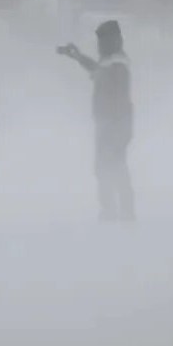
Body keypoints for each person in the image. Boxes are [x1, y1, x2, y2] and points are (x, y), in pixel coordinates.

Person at [58, 20, 135, 222]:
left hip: (114, 125)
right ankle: (117, 213)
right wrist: (77, 56)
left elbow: (114, 92)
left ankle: (118, 214)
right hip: (111, 124)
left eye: (102, 41)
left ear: (114, 40)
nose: (99, 46)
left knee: (112, 168)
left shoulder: (117, 63)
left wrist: (114, 128)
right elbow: (97, 69)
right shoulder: (111, 60)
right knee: (108, 168)